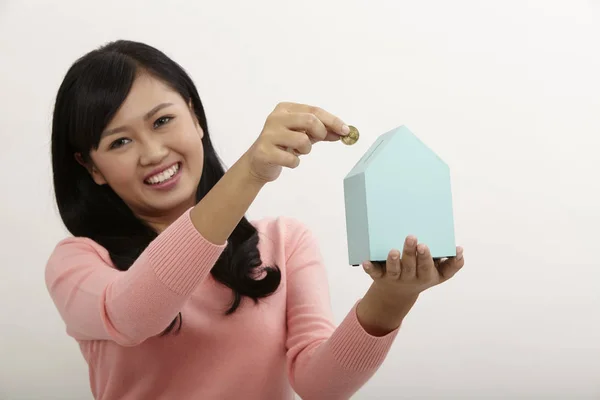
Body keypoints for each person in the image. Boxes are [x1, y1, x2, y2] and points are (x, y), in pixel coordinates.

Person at [45, 40, 465, 400]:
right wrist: (249, 172)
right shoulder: (78, 263)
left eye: (162, 120)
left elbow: (319, 384)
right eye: (119, 141)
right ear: (91, 167)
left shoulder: (284, 241)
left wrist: (392, 298)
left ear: (195, 117)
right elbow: (132, 316)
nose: (152, 152)